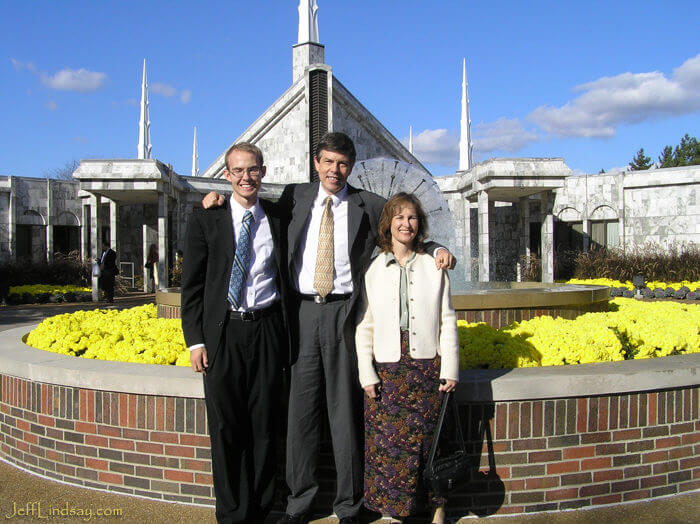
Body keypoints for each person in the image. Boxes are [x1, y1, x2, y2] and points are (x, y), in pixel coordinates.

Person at [203, 132, 455, 524]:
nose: (334, 170)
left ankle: (349, 505)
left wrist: (436, 247)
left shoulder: (368, 205)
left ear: (350, 167)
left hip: (343, 315)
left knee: (344, 415)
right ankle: (299, 502)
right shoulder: (293, 198)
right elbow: (247, 203)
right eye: (328, 162)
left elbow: (407, 222)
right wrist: (215, 202)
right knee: (300, 416)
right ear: (316, 163)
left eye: (342, 163)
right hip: (301, 315)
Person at [181, 143, 291, 523]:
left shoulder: (279, 217)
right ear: (226, 175)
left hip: (266, 331)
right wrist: (195, 340)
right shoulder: (206, 219)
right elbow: (192, 287)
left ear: (263, 171)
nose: (247, 177)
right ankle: (231, 512)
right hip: (223, 334)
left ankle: (261, 510)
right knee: (226, 427)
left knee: (263, 426)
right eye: (238, 171)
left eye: (253, 170)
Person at [355, 193, 459, 524]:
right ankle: (395, 512)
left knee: (431, 441)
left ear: (420, 224)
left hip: (426, 366)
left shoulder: (435, 264)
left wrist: (451, 368)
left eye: (412, 218)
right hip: (387, 370)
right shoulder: (374, 269)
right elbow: (364, 327)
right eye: (399, 217)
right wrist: (366, 373)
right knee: (388, 446)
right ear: (388, 223)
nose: (406, 224)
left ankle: (438, 506)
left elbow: (447, 320)